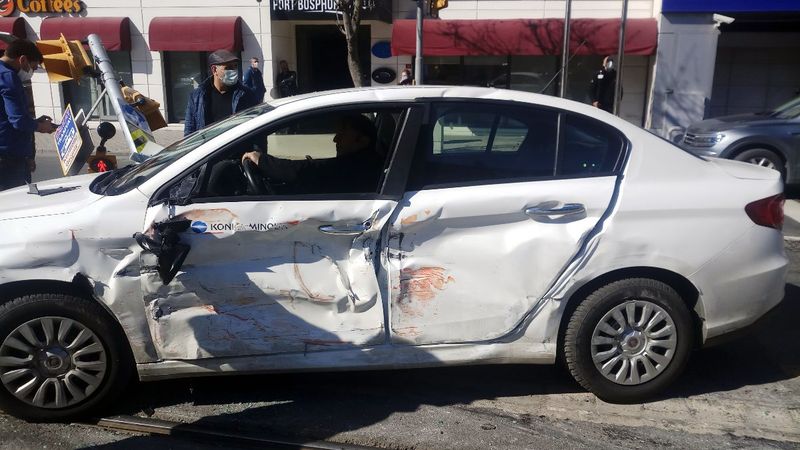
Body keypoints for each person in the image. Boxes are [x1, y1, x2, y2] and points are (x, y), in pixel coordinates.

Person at [241, 113, 383, 194]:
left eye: (343, 133)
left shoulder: (358, 167)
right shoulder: (365, 162)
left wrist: (262, 161)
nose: (335, 139)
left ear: (362, 141)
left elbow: (307, 171)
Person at [0, 39, 57, 191]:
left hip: (8, 154)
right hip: (8, 158)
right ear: (23, 59)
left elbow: (7, 115)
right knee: (17, 200)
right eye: (33, 67)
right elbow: (18, 120)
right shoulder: (8, 77)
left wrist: (35, 122)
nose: (32, 71)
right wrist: (41, 126)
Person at [184, 49, 259, 136]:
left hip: (236, 144)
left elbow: (256, 127)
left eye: (235, 66)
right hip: (210, 144)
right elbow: (189, 131)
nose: (233, 71)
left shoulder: (246, 94)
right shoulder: (197, 96)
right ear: (214, 70)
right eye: (228, 68)